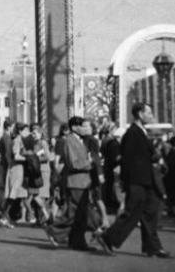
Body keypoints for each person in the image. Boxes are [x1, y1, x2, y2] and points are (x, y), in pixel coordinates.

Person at [96, 103, 170, 258]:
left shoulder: (141, 132)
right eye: (148, 112)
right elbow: (127, 160)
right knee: (132, 212)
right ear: (139, 114)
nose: (151, 115)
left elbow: (144, 155)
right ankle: (107, 238)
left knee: (151, 212)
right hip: (137, 181)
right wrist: (128, 182)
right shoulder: (132, 133)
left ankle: (153, 247)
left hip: (147, 180)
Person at [45, 116, 94, 251]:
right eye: (83, 126)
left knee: (80, 215)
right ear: (74, 127)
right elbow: (74, 163)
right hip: (75, 182)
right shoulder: (69, 141)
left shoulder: (80, 141)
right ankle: (54, 231)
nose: (86, 129)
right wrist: (89, 164)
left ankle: (77, 242)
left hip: (82, 182)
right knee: (74, 213)